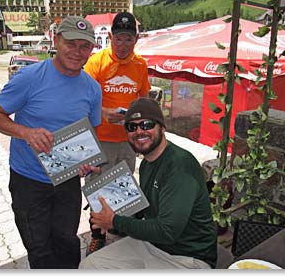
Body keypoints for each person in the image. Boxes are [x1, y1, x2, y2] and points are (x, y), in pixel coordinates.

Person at [0, 16, 102, 269]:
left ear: (91, 49)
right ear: (56, 40)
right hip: (29, 180)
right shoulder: (29, 77)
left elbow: (91, 132)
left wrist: (88, 161)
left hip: (68, 180)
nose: (77, 51)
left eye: (85, 46)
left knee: (67, 241)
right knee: (39, 248)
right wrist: (25, 132)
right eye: (71, 43)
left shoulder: (93, 89)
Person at [79, 97, 217, 269]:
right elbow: (144, 213)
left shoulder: (180, 166)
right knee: (90, 266)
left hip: (188, 257)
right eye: (132, 127)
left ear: (162, 127)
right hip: (152, 245)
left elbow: (167, 231)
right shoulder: (146, 164)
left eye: (147, 124)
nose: (139, 131)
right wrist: (110, 204)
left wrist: (114, 221)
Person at [83, 11, 151, 255]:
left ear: (136, 39)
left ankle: (118, 228)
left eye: (128, 39)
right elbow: (83, 100)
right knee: (96, 187)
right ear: (110, 37)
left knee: (123, 184)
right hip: (99, 138)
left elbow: (143, 99)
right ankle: (96, 236)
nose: (123, 45)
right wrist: (103, 113)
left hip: (127, 140)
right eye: (118, 39)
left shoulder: (140, 65)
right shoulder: (96, 62)